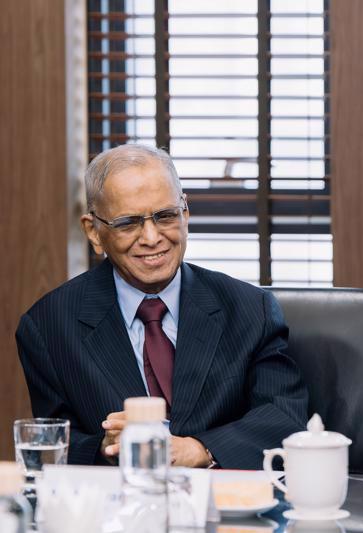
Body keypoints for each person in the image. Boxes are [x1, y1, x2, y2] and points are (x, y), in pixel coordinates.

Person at [16, 144, 308, 469]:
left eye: (165, 216)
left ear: (185, 214)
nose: (152, 237)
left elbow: (284, 416)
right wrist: (106, 446)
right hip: (117, 508)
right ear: (94, 232)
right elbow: (56, 444)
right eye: (128, 223)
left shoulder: (251, 310)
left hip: (227, 506)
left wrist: (200, 449)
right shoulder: (49, 326)